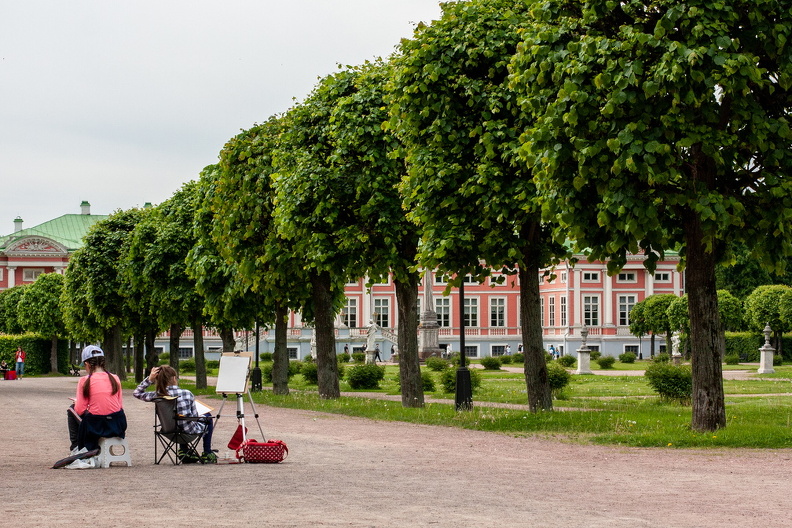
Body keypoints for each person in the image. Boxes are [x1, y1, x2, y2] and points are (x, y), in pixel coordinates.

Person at [133, 365, 216, 463]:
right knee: (208, 416)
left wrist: (149, 379)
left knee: (179, 418)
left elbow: (137, 393)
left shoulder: (157, 395)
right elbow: (194, 417)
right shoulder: (186, 393)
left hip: (169, 432)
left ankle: (184, 451)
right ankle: (207, 452)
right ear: (174, 378)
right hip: (189, 433)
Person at [64, 345, 127, 469]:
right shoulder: (115, 378)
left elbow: (80, 409)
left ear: (87, 364)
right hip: (117, 425)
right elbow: (119, 405)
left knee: (71, 409)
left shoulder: (85, 381)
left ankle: (76, 448)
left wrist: (79, 402)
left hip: (96, 426)